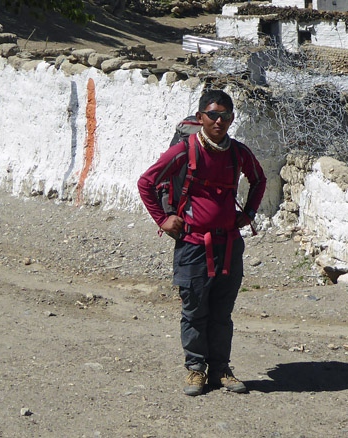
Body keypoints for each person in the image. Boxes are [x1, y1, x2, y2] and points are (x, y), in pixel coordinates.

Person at [137, 89, 266, 396]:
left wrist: (247, 214)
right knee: (195, 311)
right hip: (194, 246)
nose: (218, 121)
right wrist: (163, 219)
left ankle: (220, 370)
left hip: (230, 246)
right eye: (212, 115)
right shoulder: (185, 150)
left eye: (224, 116)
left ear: (232, 119)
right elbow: (146, 182)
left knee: (222, 312)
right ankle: (196, 370)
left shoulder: (238, 152)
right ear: (200, 118)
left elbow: (258, 180)